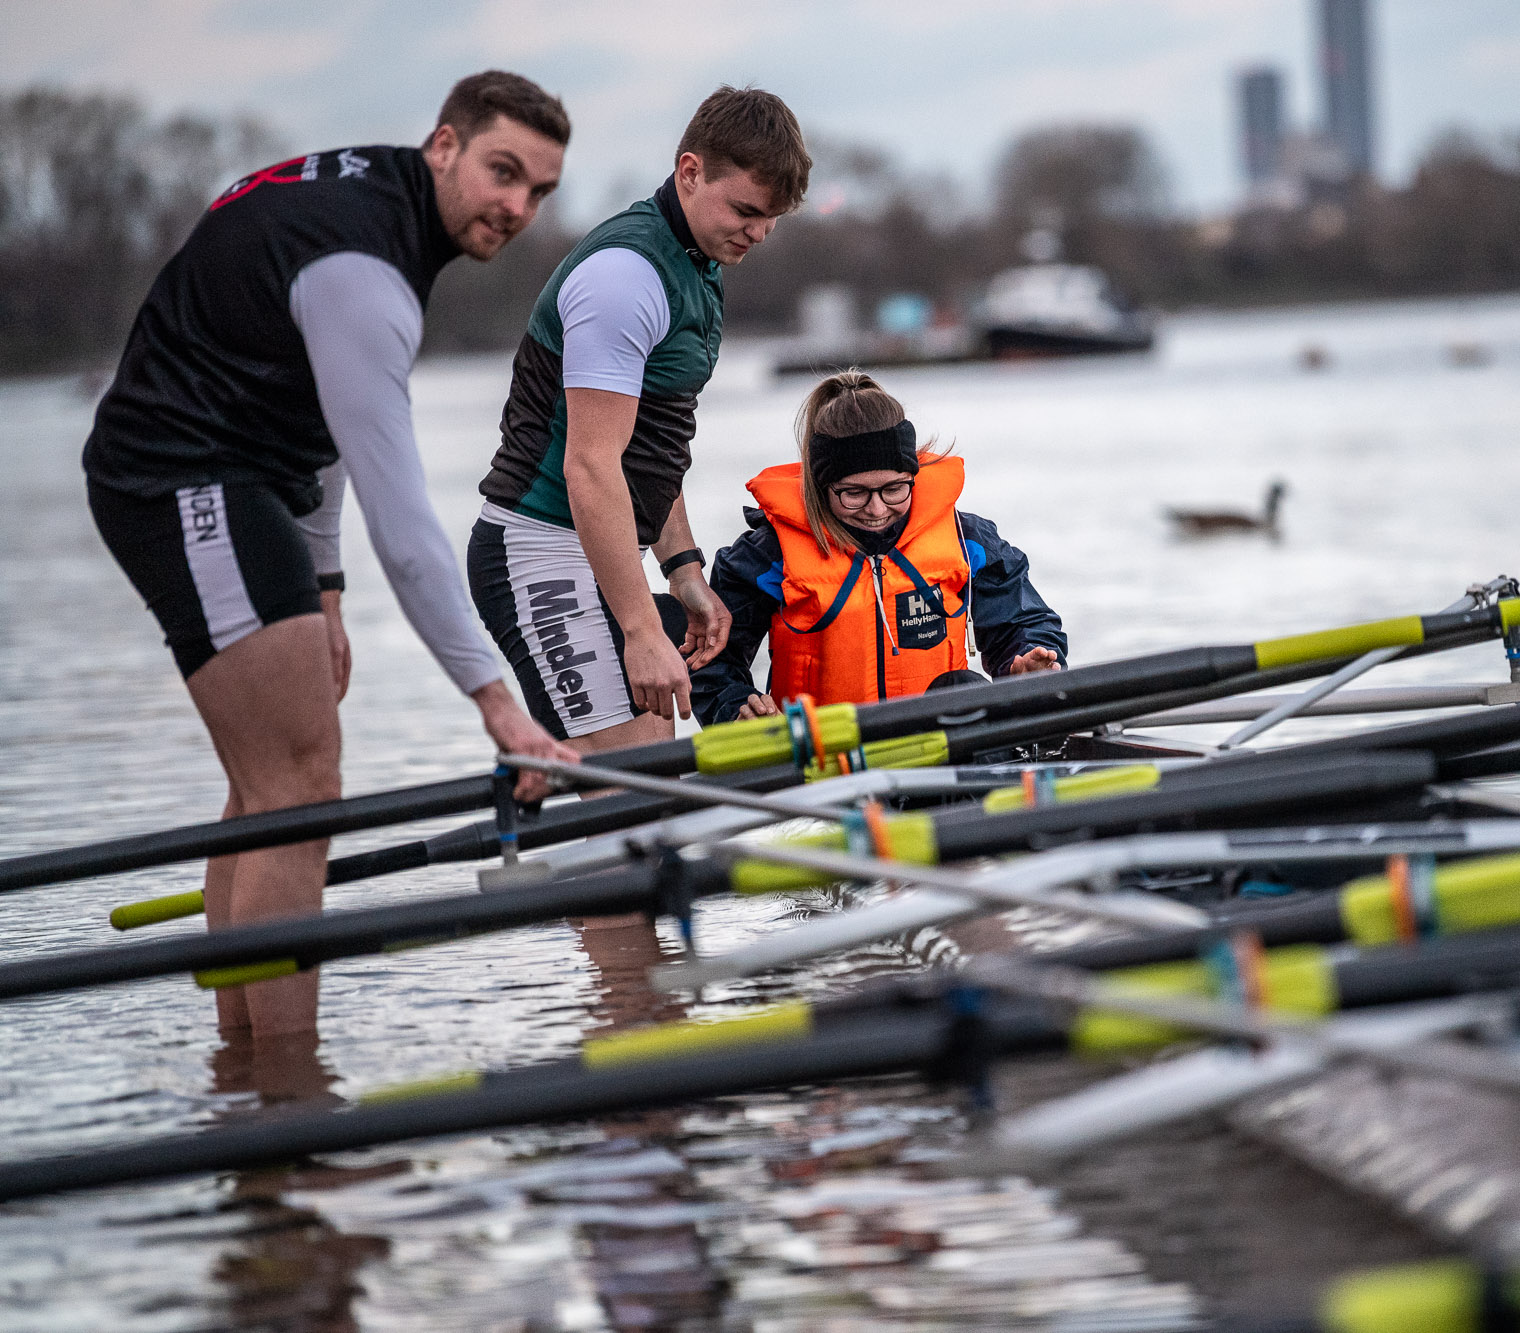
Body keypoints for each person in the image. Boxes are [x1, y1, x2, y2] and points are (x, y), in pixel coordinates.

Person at [81, 71, 579, 1044]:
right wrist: (497, 704)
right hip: (181, 475)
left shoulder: (375, 204)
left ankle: (245, 1079)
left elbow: (327, 420)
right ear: (445, 146)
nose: (516, 207)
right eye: (501, 172)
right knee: (298, 784)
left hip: (234, 475)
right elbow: (407, 524)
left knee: (267, 784)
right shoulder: (369, 271)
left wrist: (324, 589)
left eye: (539, 191)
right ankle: (288, 1085)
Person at [468, 86, 810, 758]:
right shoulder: (625, 277)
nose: (759, 232)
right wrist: (640, 627)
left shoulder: (697, 261)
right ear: (690, 172)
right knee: (633, 786)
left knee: (651, 767)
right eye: (745, 209)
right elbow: (591, 466)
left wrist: (682, 571)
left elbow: (648, 449)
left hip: (596, 547)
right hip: (540, 548)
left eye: (773, 218)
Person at [691, 371, 1066, 725]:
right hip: (825, 765)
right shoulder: (766, 555)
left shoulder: (969, 540)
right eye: (853, 493)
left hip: (945, 751)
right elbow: (710, 664)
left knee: (964, 687)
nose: (876, 509)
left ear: (912, 476)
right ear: (822, 486)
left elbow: (1023, 623)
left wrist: (1027, 662)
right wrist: (735, 707)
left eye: (893, 489)